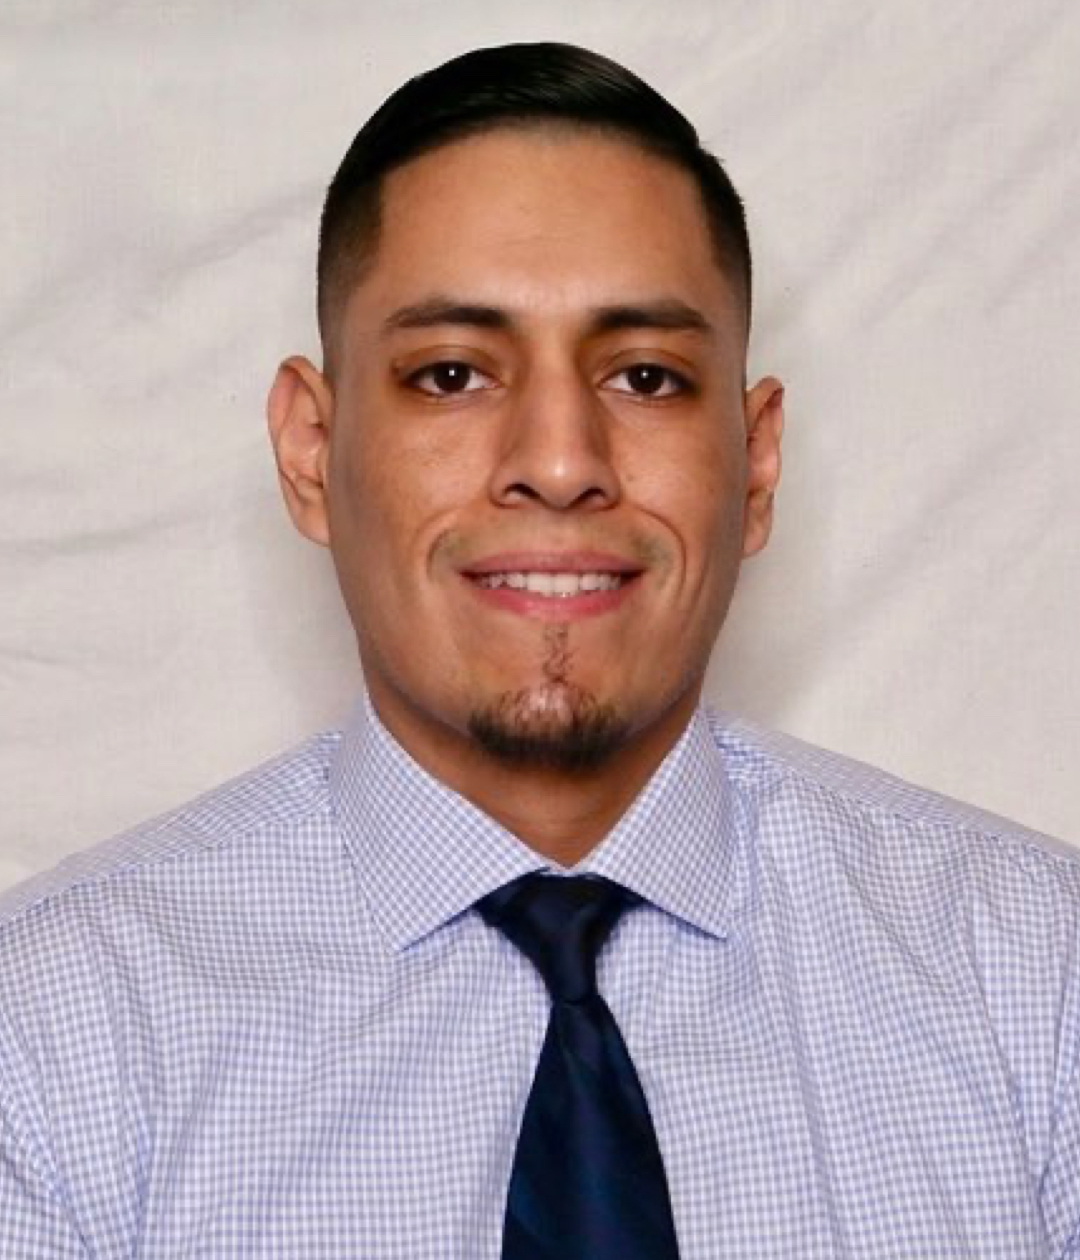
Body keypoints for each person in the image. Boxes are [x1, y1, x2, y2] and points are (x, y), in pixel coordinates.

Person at [1, 40, 1077, 1259]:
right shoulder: (48, 1040)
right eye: (452, 373)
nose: (561, 463)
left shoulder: (1043, 990)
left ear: (756, 462)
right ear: (310, 453)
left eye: (647, 377)